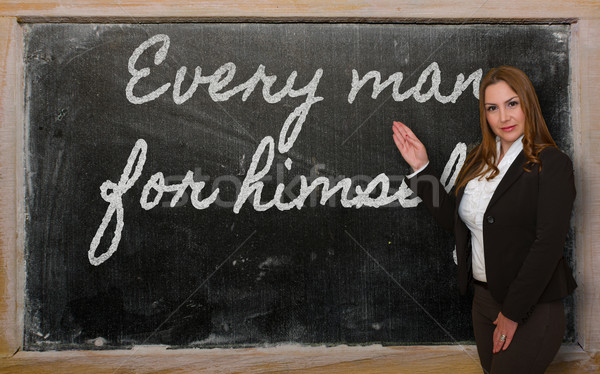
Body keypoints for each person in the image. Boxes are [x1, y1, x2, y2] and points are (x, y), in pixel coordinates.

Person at [392, 65, 576, 374]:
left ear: (528, 104)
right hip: (483, 302)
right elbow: (458, 223)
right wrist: (422, 170)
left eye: (512, 104)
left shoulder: (552, 164)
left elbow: (548, 245)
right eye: (493, 108)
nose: (503, 117)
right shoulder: (479, 161)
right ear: (485, 114)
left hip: (531, 306)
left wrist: (513, 313)